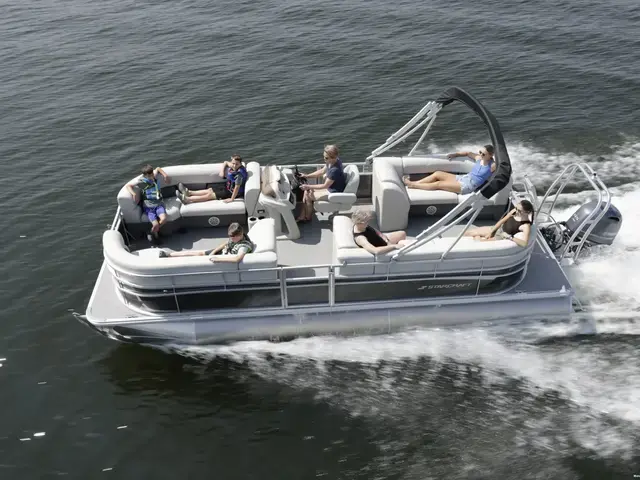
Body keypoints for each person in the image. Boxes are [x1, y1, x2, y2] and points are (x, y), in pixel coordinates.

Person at [403, 145, 497, 194]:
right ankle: (416, 183)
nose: (481, 154)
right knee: (438, 173)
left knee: (438, 184)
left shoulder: (492, 165)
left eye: (483, 154)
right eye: (480, 152)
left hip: (468, 186)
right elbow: (468, 153)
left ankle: (413, 185)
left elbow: (502, 163)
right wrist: (455, 154)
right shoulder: (479, 158)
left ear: (490, 155)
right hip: (464, 178)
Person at [295, 145, 346, 223]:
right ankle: (303, 215)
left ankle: (307, 217)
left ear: (333, 157)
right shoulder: (333, 161)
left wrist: (308, 186)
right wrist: (307, 176)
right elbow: (322, 171)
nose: (324, 159)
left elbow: (325, 185)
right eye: (324, 156)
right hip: (331, 188)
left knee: (308, 196)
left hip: (333, 192)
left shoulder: (334, 170)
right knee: (307, 192)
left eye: (326, 158)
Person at [160, 223, 254, 263]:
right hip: (222, 252)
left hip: (224, 257)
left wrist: (218, 259)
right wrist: (214, 251)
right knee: (198, 253)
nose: (231, 238)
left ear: (239, 235)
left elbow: (237, 259)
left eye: (232, 237)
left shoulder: (243, 246)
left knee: (197, 258)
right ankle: (169, 255)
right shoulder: (235, 238)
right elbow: (226, 243)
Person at [177, 155, 247, 204]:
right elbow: (225, 162)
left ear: (240, 164)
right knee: (210, 190)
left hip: (232, 192)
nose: (234, 166)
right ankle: (189, 192)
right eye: (233, 163)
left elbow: (237, 188)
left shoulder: (239, 175)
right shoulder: (233, 165)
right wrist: (222, 171)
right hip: (227, 186)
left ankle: (187, 199)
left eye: (237, 164)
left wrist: (232, 199)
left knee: (210, 195)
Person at [464, 200, 535, 247]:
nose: (516, 211)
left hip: (501, 236)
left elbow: (524, 244)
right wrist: (491, 232)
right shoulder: (515, 211)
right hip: (498, 229)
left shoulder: (526, 225)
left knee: (478, 242)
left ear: (527, 212)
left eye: (519, 210)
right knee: (469, 233)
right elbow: (502, 220)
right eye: (516, 208)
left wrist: (510, 237)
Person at [127, 164, 170, 242]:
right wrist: (134, 194)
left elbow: (158, 168)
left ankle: (152, 232)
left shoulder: (154, 177)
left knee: (164, 219)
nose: (152, 176)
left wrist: (165, 175)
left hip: (159, 204)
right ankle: (156, 236)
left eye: (152, 174)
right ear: (145, 175)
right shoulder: (141, 182)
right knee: (155, 224)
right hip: (149, 207)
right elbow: (128, 186)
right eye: (149, 175)